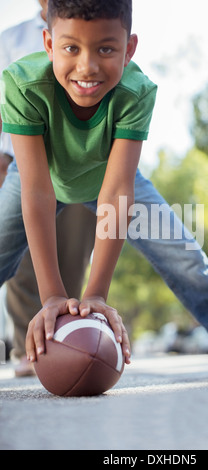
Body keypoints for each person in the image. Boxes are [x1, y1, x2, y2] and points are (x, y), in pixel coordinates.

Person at [0, 0, 208, 373]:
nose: (87, 66)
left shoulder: (136, 91)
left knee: (185, 256)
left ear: (130, 49)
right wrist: (53, 297)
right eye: (71, 48)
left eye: (106, 49)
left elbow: (117, 192)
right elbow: (37, 191)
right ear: (48, 44)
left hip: (108, 175)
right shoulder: (22, 84)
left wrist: (95, 294)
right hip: (38, 176)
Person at [0, 0, 96, 376]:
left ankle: (65, 332)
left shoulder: (95, 24)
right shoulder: (11, 41)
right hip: (21, 158)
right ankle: (30, 342)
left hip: (82, 157)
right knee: (23, 255)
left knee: (71, 252)